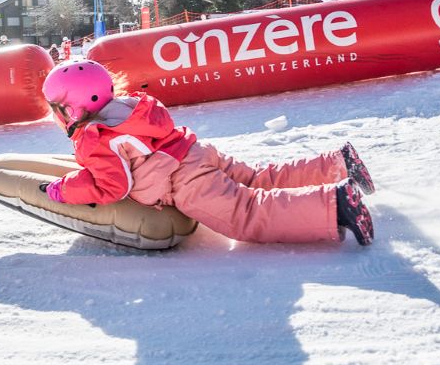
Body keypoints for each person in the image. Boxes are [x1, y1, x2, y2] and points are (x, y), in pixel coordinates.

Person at [37, 60, 377, 245]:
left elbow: (111, 186)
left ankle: (337, 205)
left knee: (247, 213)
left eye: (58, 108)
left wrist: (63, 189)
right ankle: (336, 163)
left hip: (185, 182)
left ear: (73, 108)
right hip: (196, 152)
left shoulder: (95, 138)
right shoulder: (128, 108)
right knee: (260, 178)